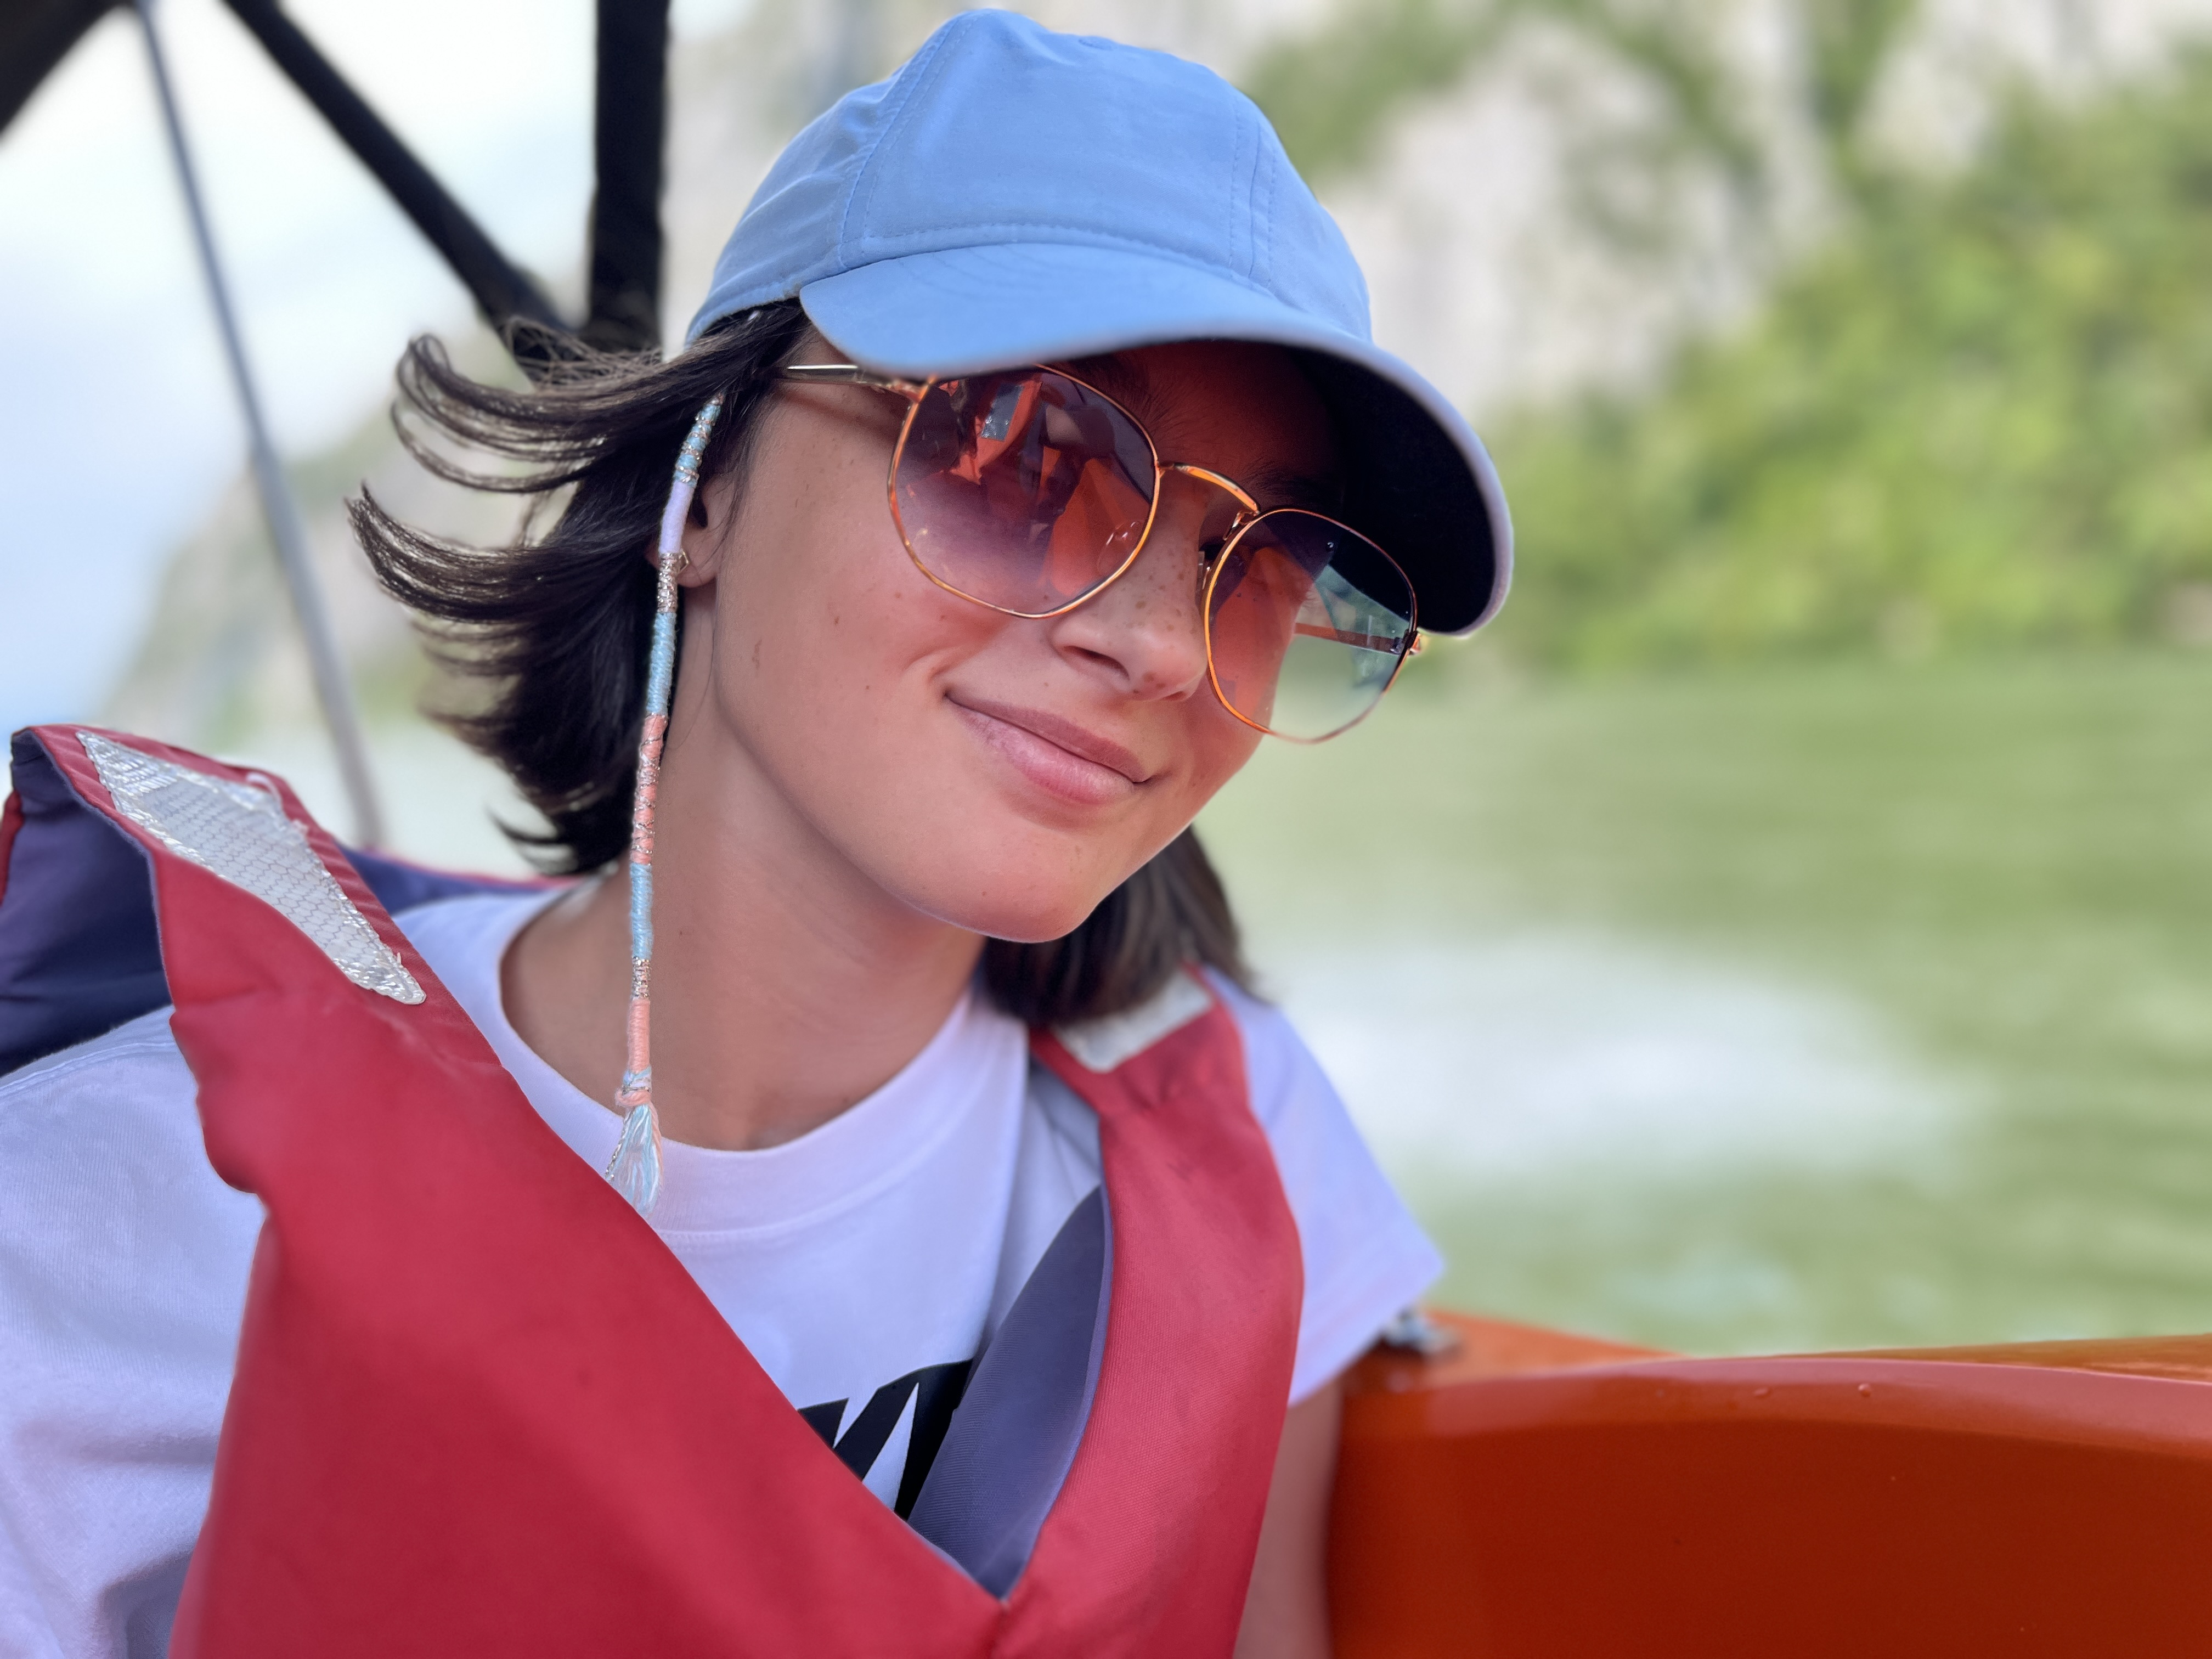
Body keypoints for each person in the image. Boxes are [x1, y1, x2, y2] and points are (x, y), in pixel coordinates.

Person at [0, 12, 1509, 1657]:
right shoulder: (116, 1214)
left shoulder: (1238, 1119)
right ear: (701, 490)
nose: (1157, 643)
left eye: (1262, 567)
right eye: (1022, 455)